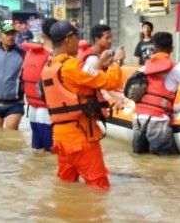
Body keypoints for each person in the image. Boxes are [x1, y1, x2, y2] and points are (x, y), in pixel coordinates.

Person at [40, 20, 122, 190]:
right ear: (68, 40)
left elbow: (81, 83)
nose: (79, 41)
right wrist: (116, 63)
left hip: (61, 138)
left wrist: (100, 64)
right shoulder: (72, 66)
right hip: (81, 137)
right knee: (99, 187)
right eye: (77, 36)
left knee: (66, 185)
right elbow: (111, 81)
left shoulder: (49, 67)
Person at [133, 32, 180, 155]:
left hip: (137, 119)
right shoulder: (175, 68)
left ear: (153, 48)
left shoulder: (144, 68)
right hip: (157, 120)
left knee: (140, 159)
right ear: (172, 48)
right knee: (166, 162)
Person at [21, 18, 57, 153]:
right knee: (52, 155)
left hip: (33, 111)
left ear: (42, 34)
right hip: (48, 113)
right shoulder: (54, 57)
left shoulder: (30, 53)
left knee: (38, 152)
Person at [78, 24, 126, 107]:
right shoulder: (92, 59)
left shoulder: (106, 53)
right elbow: (97, 82)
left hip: (109, 89)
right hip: (97, 96)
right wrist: (117, 98)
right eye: (107, 38)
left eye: (111, 37)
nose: (110, 41)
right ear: (97, 40)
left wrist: (119, 60)